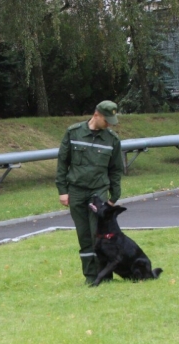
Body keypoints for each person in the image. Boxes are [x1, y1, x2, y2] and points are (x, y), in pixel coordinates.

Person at [56, 100, 125, 284]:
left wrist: (114, 196)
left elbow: (116, 170)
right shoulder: (73, 133)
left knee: (101, 236)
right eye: (107, 120)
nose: (109, 124)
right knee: (84, 236)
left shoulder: (112, 140)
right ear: (96, 115)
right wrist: (62, 190)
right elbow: (63, 162)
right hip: (76, 191)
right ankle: (90, 277)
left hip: (99, 192)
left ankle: (105, 277)